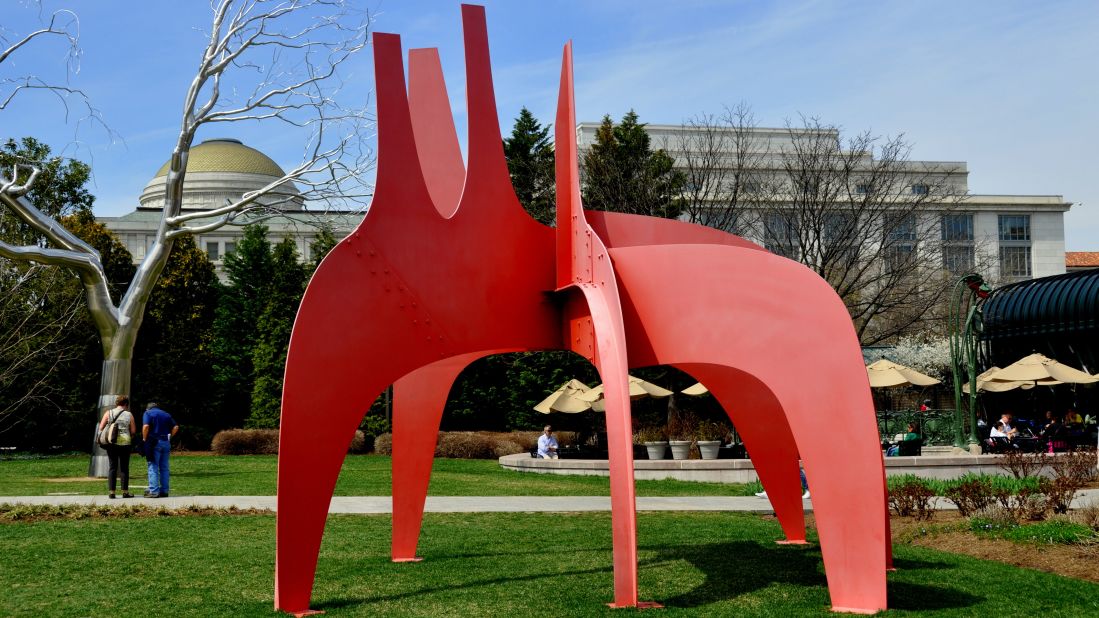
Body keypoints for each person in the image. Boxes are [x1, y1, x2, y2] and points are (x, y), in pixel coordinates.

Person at [98, 395, 136, 499]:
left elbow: (101, 427)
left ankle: (112, 492)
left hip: (111, 443)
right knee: (124, 468)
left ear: (117, 403)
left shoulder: (108, 413)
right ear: (126, 404)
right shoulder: (129, 415)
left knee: (112, 467)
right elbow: (133, 431)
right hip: (125, 444)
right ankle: (125, 492)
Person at [142, 402, 179, 498]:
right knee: (164, 468)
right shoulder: (166, 414)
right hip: (166, 442)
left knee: (153, 466)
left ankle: (154, 491)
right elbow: (176, 427)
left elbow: (146, 426)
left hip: (154, 442)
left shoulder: (148, 413)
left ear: (148, 408)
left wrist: (144, 439)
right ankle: (164, 491)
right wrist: (170, 436)